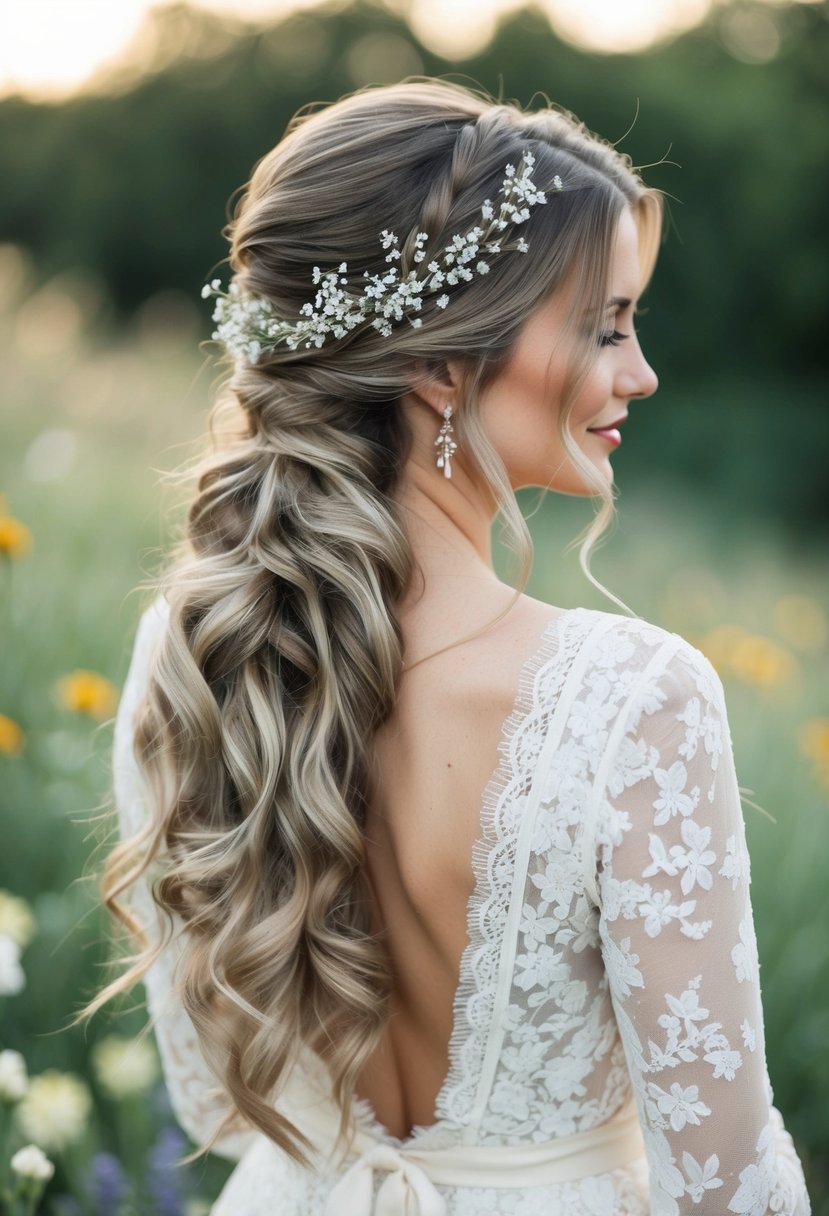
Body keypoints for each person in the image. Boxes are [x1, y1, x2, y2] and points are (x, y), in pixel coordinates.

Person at [86, 80, 811, 1214]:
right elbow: (722, 1183)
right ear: (438, 363)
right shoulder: (633, 699)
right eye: (603, 326)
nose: (639, 373)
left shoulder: (196, 649)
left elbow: (214, 1100)